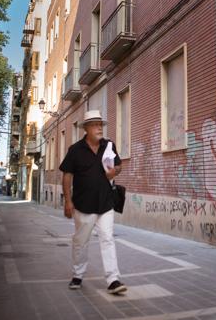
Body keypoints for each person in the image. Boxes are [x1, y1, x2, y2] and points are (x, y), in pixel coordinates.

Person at [60, 110, 127, 295]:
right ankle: (78, 274)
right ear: (87, 128)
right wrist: (68, 201)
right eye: (96, 124)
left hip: (106, 203)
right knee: (81, 241)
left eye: (101, 124)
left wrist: (115, 171)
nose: (100, 127)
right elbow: (67, 175)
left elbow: (119, 165)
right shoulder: (75, 150)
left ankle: (113, 279)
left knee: (107, 238)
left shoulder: (109, 145)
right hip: (83, 204)